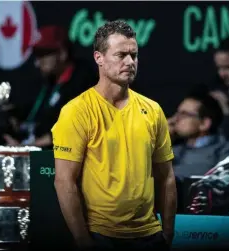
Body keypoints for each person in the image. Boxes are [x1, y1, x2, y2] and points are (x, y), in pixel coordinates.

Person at [52, 21, 177, 250]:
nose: (130, 62)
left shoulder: (153, 110)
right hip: (101, 236)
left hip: (151, 236)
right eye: (121, 55)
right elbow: (64, 180)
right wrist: (82, 240)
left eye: (134, 55)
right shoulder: (76, 111)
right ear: (98, 57)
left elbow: (166, 177)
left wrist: (167, 232)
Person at [2, 25, 97, 149]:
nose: (37, 62)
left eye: (43, 54)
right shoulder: (47, 82)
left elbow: (77, 130)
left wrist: (26, 148)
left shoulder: (84, 81)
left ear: (62, 53)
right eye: (36, 55)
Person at [169, 91, 229, 180]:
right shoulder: (175, 150)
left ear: (204, 124)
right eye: (177, 113)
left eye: (184, 114)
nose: (175, 119)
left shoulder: (225, 149)